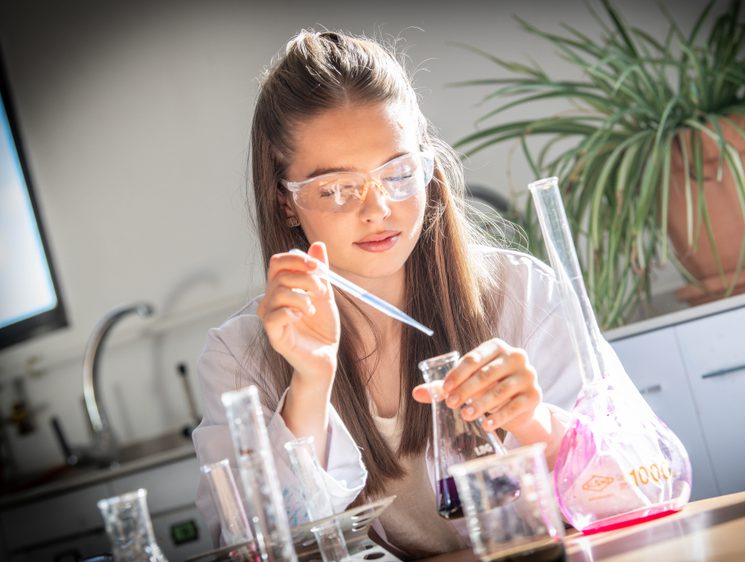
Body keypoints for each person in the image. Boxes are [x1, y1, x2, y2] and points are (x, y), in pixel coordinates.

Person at [192, 29, 621, 558]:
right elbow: (246, 549)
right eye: (335, 189)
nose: (377, 209)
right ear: (285, 202)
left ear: (428, 166)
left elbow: (638, 484)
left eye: (397, 173)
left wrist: (535, 424)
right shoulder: (241, 358)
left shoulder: (522, 293)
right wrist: (310, 383)